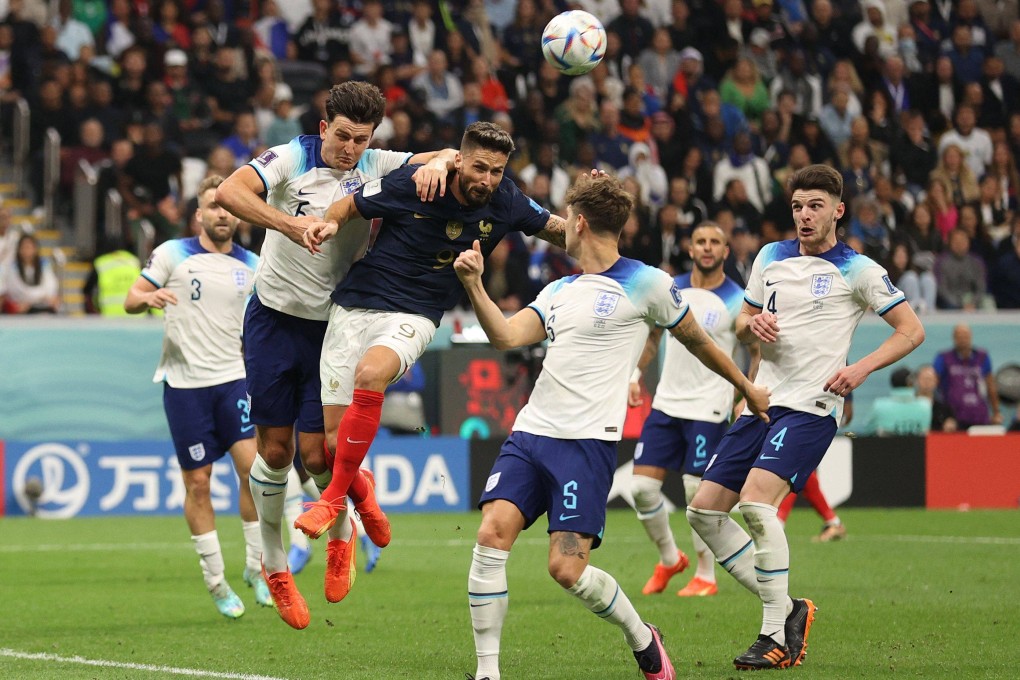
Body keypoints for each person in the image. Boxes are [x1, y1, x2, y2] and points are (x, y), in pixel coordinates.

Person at [454, 173, 770, 680]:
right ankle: (487, 672)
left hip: (586, 446)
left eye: (565, 217)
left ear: (578, 223)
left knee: (566, 569)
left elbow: (698, 341)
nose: (560, 227)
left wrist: (747, 386)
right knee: (491, 535)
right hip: (531, 435)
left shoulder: (648, 282)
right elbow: (507, 336)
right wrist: (473, 285)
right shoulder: (559, 288)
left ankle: (644, 638)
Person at [215, 80, 457, 630]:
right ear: (324, 127)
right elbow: (231, 191)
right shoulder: (290, 156)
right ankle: (275, 568)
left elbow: (450, 156)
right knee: (275, 454)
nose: (350, 148)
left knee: (321, 455)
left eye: (361, 138)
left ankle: (342, 539)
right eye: (342, 136)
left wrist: (440, 161)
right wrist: (290, 223)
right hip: (274, 320)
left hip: (335, 326)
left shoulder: (379, 162)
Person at [293, 122, 571, 574]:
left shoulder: (508, 200)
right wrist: (328, 222)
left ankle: (330, 503)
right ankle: (363, 503)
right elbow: (349, 204)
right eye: (479, 167)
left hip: (415, 313)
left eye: (497, 171)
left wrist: (598, 229)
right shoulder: (417, 183)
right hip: (356, 304)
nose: (487, 180)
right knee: (327, 445)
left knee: (371, 375)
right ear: (458, 159)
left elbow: (559, 231)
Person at [686, 164, 925, 670]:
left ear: (838, 210)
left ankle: (775, 633)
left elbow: (911, 330)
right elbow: (741, 321)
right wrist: (755, 324)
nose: (804, 215)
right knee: (703, 512)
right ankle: (790, 608)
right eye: (797, 206)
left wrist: (858, 370)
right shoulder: (770, 256)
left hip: (812, 406)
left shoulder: (857, 269)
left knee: (755, 505)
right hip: (764, 402)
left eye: (815, 206)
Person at [124, 175, 270, 619]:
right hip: (184, 385)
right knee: (199, 484)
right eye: (214, 206)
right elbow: (131, 298)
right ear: (199, 214)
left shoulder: (255, 265)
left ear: (239, 213)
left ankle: (255, 567)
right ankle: (216, 581)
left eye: (228, 207)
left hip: (233, 380)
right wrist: (148, 299)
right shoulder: (173, 254)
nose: (222, 213)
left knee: (255, 474)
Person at [628, 223, 754, 599]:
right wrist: (636, 376)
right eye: (701, 241)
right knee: (641, 489)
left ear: (726, 251)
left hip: (710, 404)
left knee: (695, 490)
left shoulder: (738, 298)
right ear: (690, 247)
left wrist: (746, 391)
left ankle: (705, 575)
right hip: (667, 401)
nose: (707, 247)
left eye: (715, 242)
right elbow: (652, 337)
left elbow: (756, 351)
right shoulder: (670, 287)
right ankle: (670, 559)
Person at [933, 324, 1003, 429]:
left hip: (979, 416)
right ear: (954, 338)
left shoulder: (982, 357)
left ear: (971, 336)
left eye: (965, 336)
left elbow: (990, 385)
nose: (962, 339)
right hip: (954, 417)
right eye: (959, 336)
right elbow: (934, 385)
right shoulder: (943, 358)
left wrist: (996, 412)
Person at [864, 366, 933, 435]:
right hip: (917, 445)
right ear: (911, 383)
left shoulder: (879, 405)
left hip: (886, 445)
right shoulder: (925, 405)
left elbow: (867, 430)